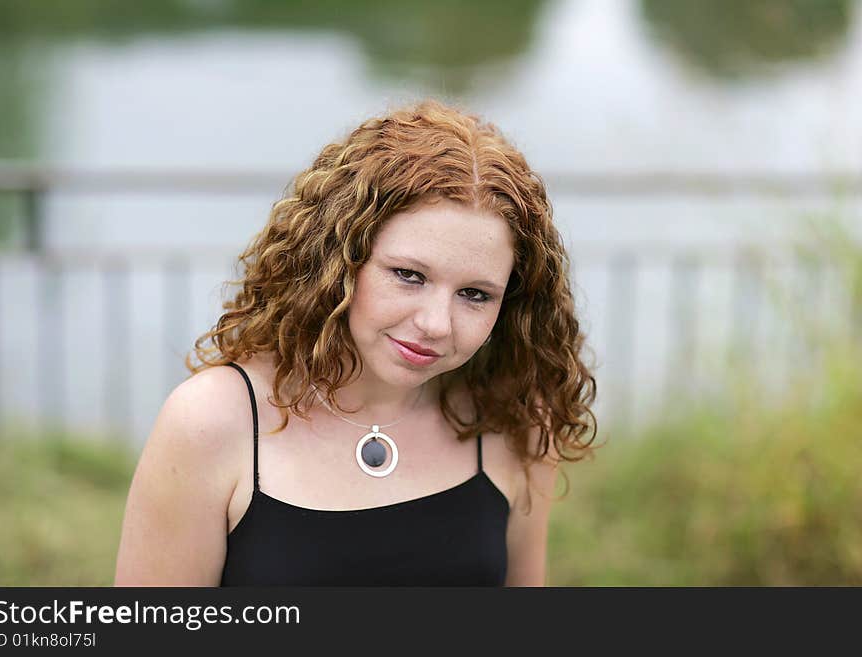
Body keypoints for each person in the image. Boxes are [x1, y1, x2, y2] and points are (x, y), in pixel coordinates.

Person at [114, 98, 597, 586]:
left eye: (475, 294)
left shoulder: (516, 419)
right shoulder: (212, 422)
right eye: (409, 275)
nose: (436, 324)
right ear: (339, 261)